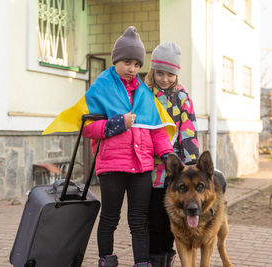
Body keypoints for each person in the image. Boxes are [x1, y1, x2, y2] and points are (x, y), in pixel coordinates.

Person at [81, 27, 174, 267]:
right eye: (126, 62)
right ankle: (106, 260)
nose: (131, 69)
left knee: (139, 221)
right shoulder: (101, 88)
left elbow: (157, 131)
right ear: (116, 61)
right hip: (112, 167)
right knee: (110, 218)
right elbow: (87, 127)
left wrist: (167, 156)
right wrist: (117, 123)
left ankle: (142, 263)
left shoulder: (145, 94)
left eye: (136, 64)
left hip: (141, 168)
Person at [144, 42, 200, 266]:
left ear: (176, 74)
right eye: (160, 73)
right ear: (153, 71)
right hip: (147, 169)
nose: (164, 79)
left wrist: (190, 167)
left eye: (170, 74)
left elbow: (189, 133)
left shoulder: (182, 98)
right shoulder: (144, 94)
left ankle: (165, 259)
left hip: (173, 174)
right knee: (152, 219)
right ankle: (152, 259)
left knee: (171, 221)